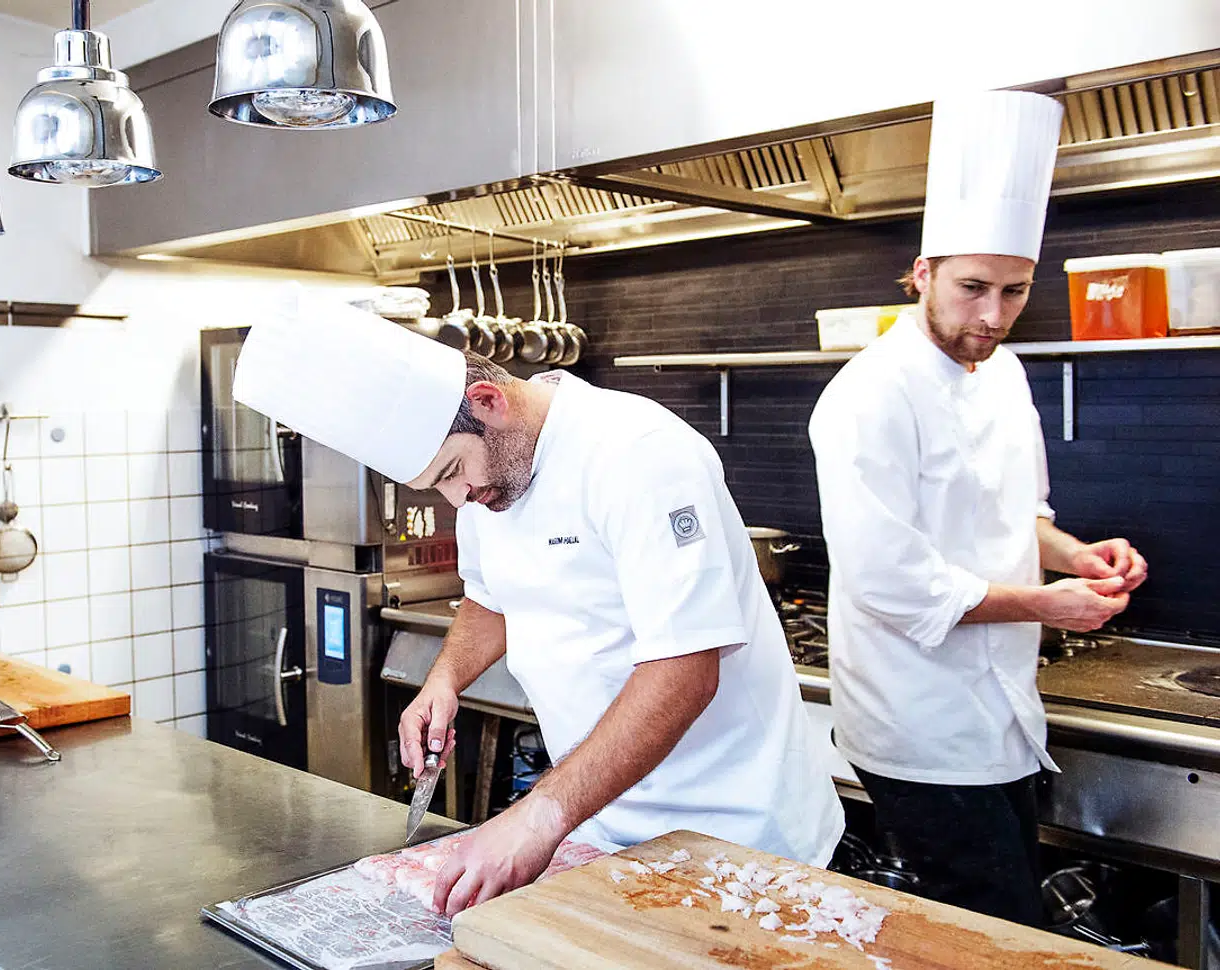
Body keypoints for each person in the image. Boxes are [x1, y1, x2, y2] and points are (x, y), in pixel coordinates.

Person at [234, 286, 844, 919]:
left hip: (737, 839)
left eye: (450, 471)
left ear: (488, 401)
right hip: (600, 825)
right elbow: (491, 598)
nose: (457, 498)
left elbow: (685, 671)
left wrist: (536, 818)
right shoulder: (488, 483)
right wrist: (445, 681)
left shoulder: (637, 454)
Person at [807, 90, 1148, 926]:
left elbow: (1016, 513)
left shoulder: (1004, 371)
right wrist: (1045, 604)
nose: (991, 317)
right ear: (921, 273)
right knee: (991, 930)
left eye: (1015, 291)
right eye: (971, 287)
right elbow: (891, 581)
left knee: (1001, 924)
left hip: (1003, 710)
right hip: (917, 721)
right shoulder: (867, 398)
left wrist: (1075, 556)